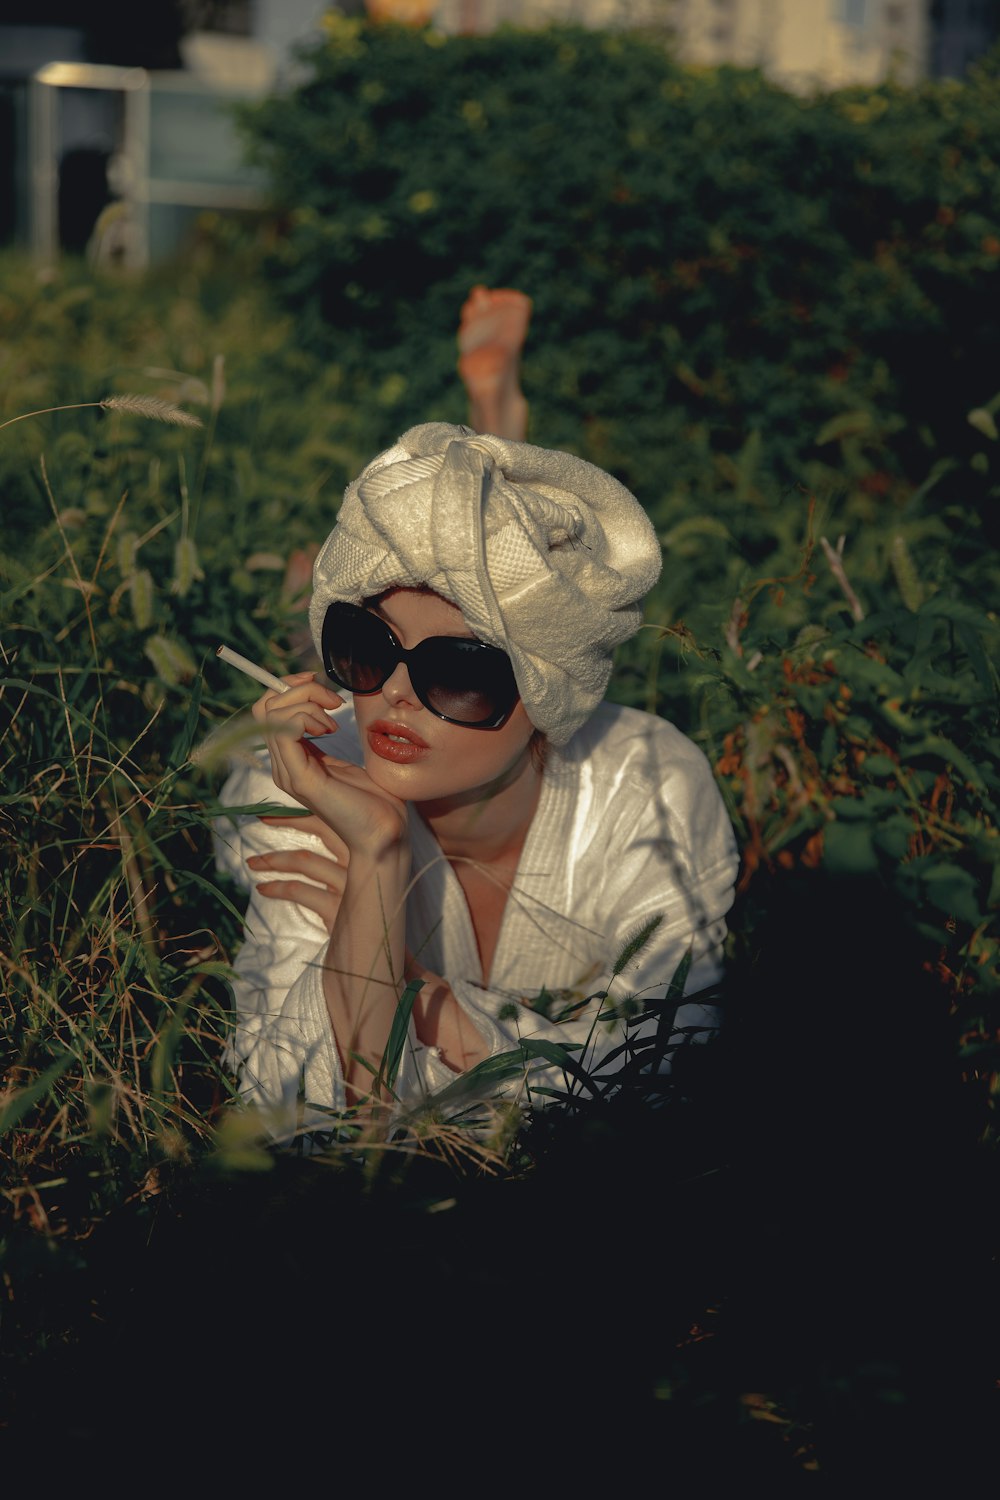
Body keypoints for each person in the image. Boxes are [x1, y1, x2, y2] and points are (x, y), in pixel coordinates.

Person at [214, 422, 739, 1134]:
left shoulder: (650, 785)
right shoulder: (304, 780)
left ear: (548, 696)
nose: (395, 693)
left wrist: (421, 995)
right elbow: (301, 1110)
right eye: (367, 648)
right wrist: (376, 853)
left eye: (459, 671)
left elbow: (663, 1070)